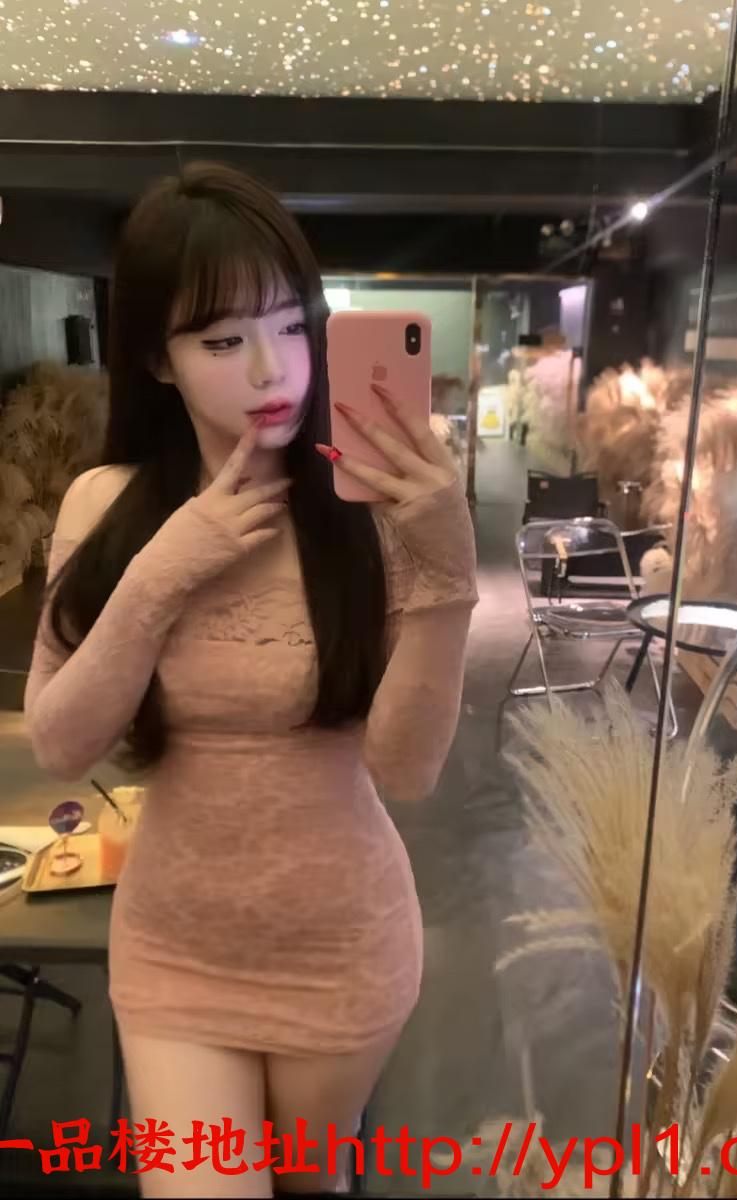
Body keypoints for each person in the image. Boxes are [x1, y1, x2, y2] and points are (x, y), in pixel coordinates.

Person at [23, 162, 478, 1197]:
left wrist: (448, 573)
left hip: (344, 947)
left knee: (311, 1184)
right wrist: (165, 570)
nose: (272, 368)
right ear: (159, 358)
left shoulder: (374, 512)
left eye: (288, 324)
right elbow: (60, 741)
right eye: (223, 340)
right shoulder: (103, 504)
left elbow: (406, 771)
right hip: (175, 950)